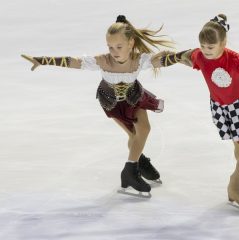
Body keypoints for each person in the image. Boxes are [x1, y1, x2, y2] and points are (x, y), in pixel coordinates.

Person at [21, 15, 173, 196]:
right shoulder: (104, 61)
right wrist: (43, 60)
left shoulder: (138, 60)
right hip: (113, 103)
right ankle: (137, 163)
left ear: (131, 43)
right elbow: (74, 62)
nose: (114, 51)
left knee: (144, 129)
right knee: (134, 135)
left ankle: (131, 168)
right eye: (110, 47)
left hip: (134, 97)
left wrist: (184, 56)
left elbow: (160, 61)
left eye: (119, 47)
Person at [160, 14, 239, 209]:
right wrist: (166, 58)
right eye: (203, 46)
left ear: (223, 43)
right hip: (222, 106)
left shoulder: (233, 58)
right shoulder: (199, 55)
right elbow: (185, 56)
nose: (206, 51)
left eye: (211, 47)